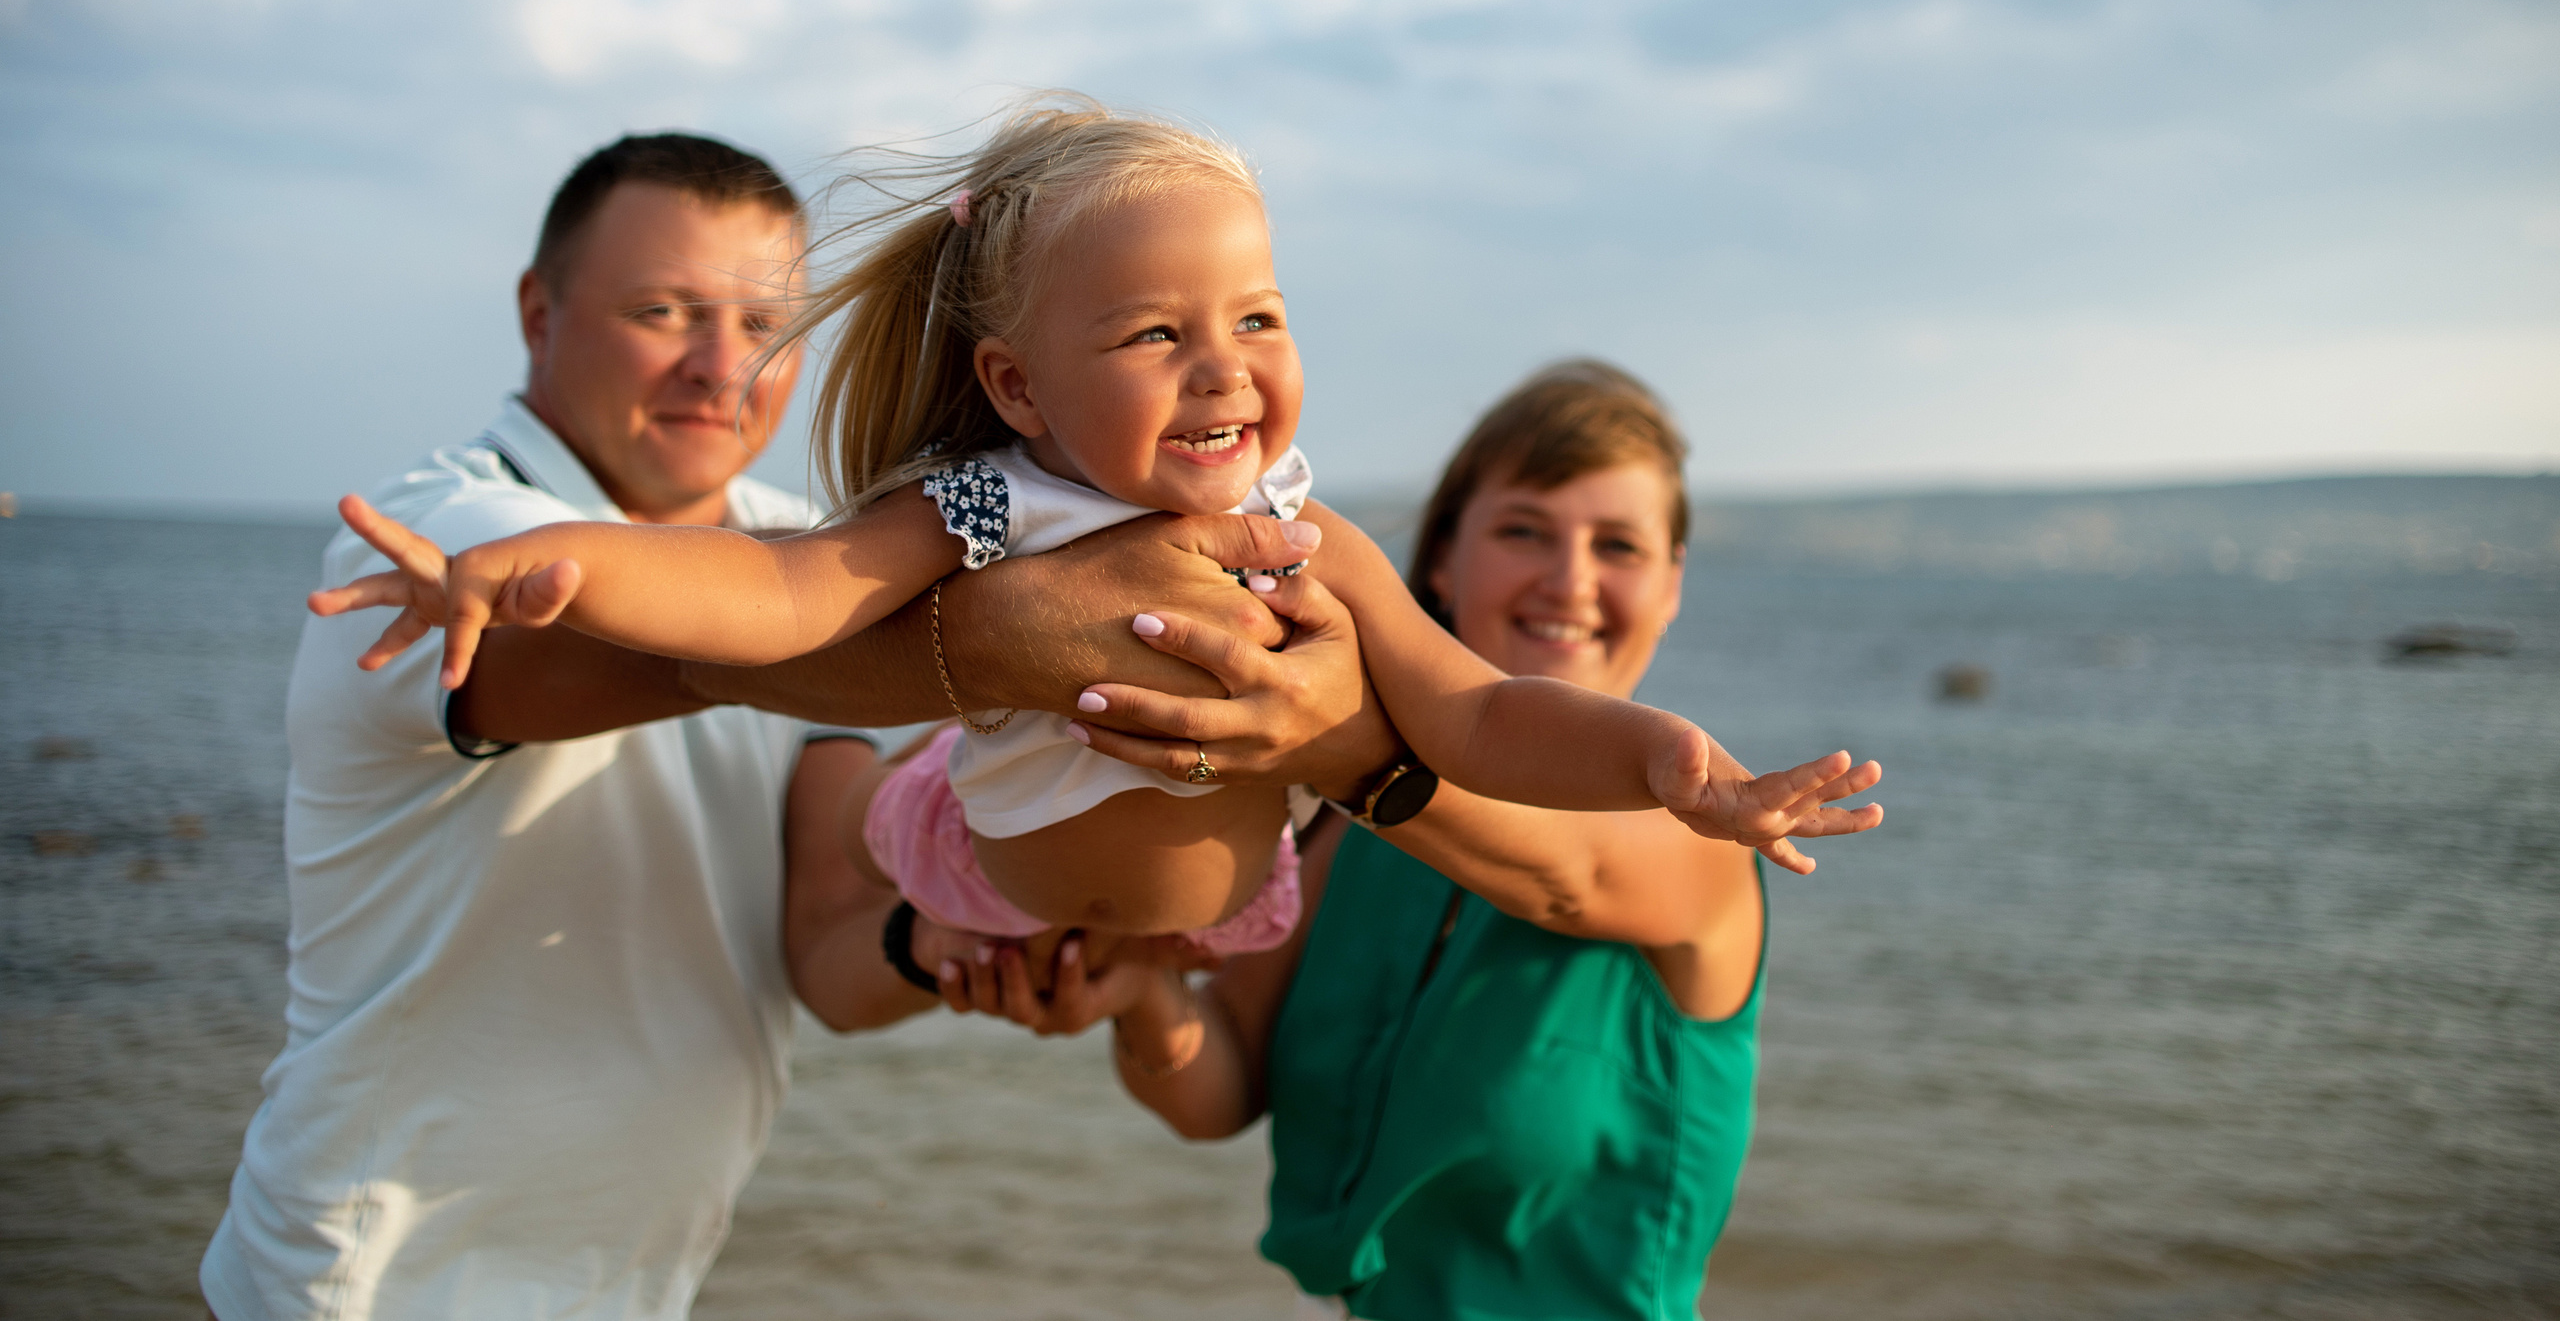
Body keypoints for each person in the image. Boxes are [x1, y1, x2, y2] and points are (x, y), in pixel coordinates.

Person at [321, 100, 1879, 1003]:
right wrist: (558, 565)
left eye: (1257, 319)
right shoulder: (997, 508)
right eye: (1153, 334)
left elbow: (1474, 715)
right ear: (1017, 384)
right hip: (985, 871)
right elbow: (781, 593)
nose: (1224, 368)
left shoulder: (1300, 533)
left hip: (1206, 911)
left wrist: (1674, 763)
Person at [199, 131, 1347, 1321]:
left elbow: (833, 952)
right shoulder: (446, 542)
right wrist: (998, 627)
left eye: (762, 325)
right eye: (664, 310)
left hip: (633, 1282)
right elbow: (680, 650)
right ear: (539, 310)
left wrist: (983, 933)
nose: (719, 366)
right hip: (372, 1277)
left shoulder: (807, 539)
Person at [953, 361, 1833, 1319]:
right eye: (1524, 529)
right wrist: (1142, 995)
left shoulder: (1691, 823)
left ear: (1670, 588)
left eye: (1618, 545)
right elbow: (1224, 1084)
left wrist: (1339, 744)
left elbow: (1562, 874)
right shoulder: (1348, 822)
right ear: (1446, 559)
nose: (1570, 579)